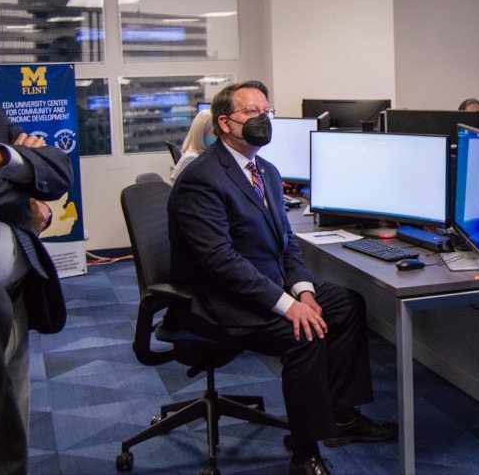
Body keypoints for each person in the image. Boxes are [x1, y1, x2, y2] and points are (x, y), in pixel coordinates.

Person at [168, 81, 395, 475]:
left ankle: (343, 416)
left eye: (266, 112)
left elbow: (286, 243)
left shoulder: (266, 172)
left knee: (345, 303)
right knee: (303, 335)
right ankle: (304, 453)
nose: (264, 120)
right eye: (252, 113)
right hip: (224, 300)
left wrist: (304, 291)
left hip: (269, 284)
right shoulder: (203, 178)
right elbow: (221, 262)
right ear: (225, 123)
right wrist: (288, 305)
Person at [0, 30, 73, 473]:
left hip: (16, 287)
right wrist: (26, 197)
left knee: (13, 410)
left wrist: (2, 158)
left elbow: (58, 168)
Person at [169, 109, 215, 183]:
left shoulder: (201, 155)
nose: (218, 136)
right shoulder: (192, 158)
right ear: (201, 133)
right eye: (214, 132)